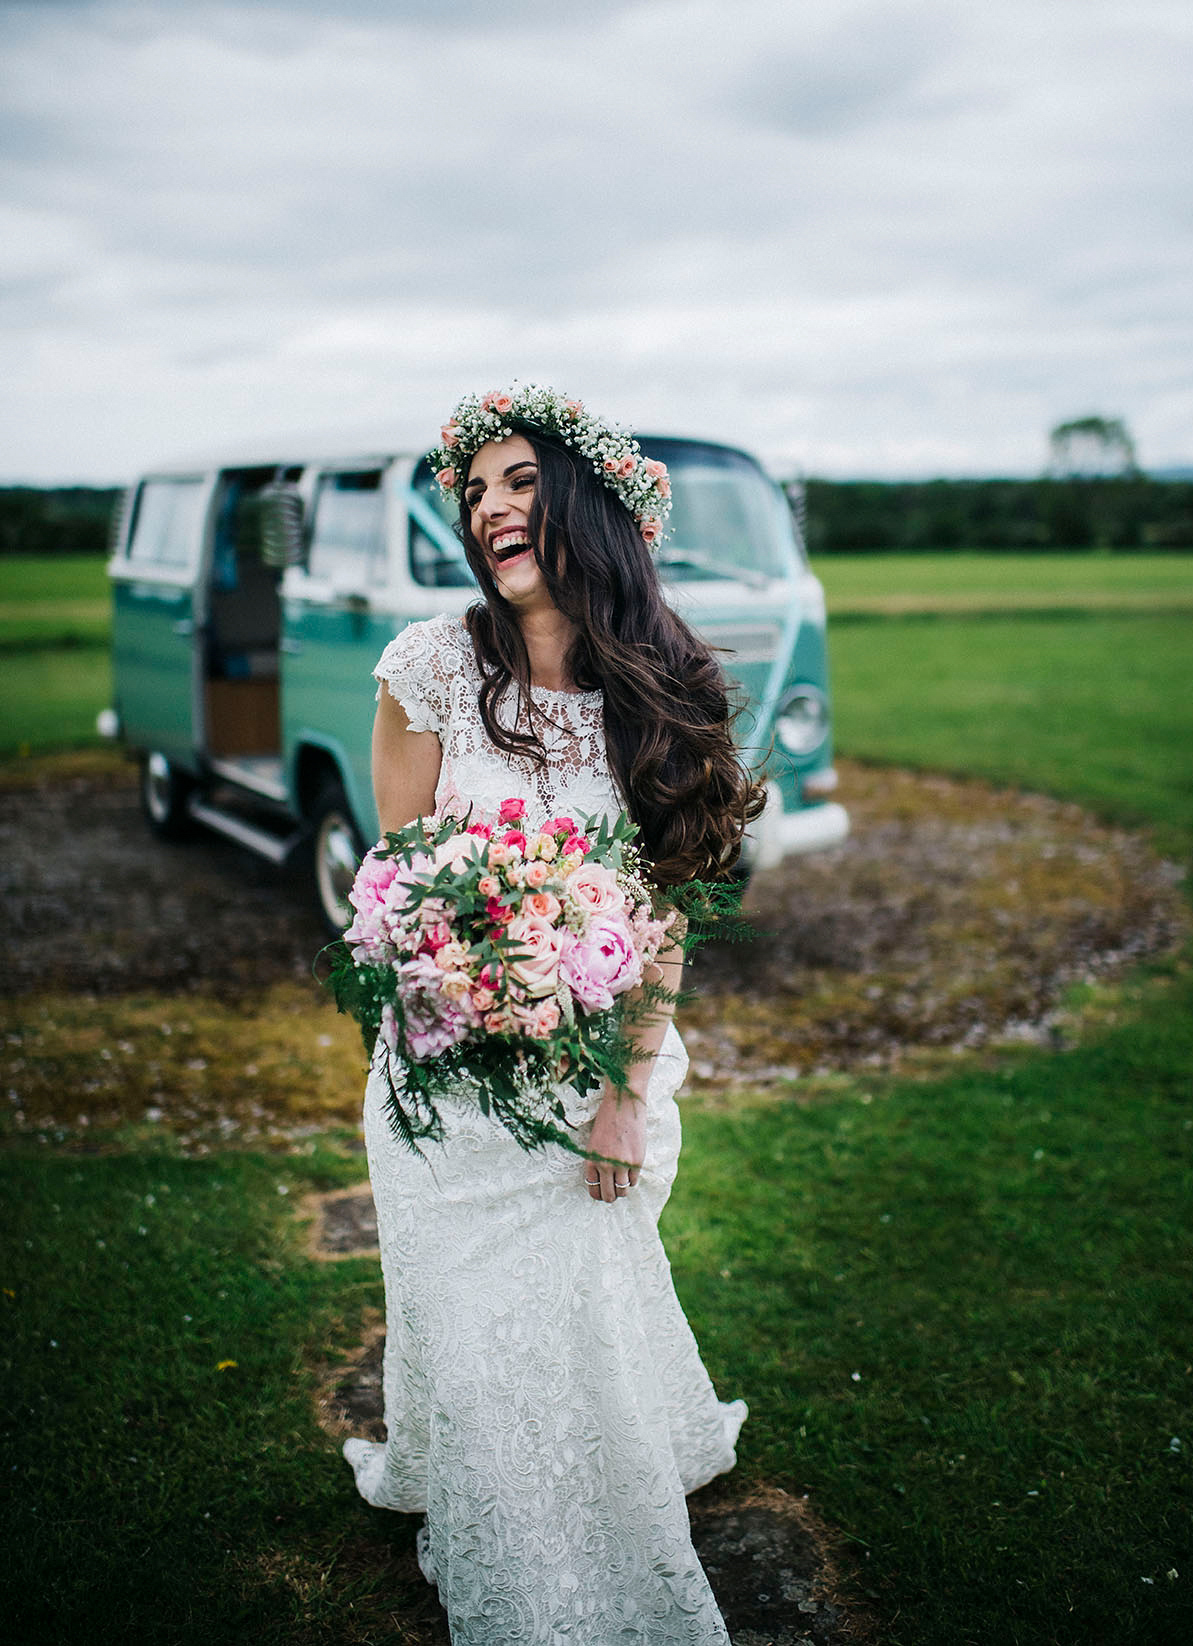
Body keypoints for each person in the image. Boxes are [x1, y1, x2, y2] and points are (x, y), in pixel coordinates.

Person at [342, 385, 764, 1644]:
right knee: (464, 1325)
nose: (491, 509)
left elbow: (670, 912)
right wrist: (468, 967)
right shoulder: (427, 670)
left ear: (586, 501)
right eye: (475, 493)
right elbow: (400, 883)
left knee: (575, 1314)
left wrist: (623, 1096)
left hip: (596, 1073)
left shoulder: (669, 684)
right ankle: (499, 1530)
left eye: (518, 481)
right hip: (443, 1073)